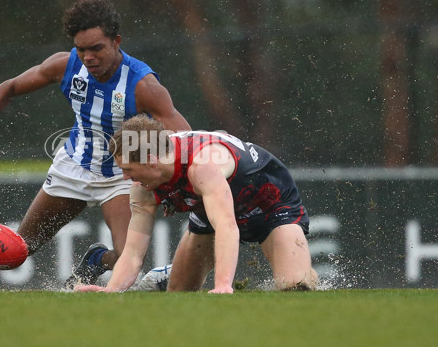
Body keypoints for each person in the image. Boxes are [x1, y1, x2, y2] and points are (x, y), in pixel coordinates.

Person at [0, 0, 190, 288]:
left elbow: (184, 140)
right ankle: (93, 260)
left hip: (120, 177)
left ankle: (97, 260)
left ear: (116, 41)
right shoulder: (65, 65)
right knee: (18, 252)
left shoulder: (143, 85)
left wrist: (174, 186)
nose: (88, 57)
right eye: (82, 49)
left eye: (96, 48)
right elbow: (9, 87)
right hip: (72, 168)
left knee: (129, 260)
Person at [75, 114, 318, 293]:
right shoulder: (143, 187)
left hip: (269, 205)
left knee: (295, 287)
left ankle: (304, 268)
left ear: (150, 160)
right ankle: (164, 277)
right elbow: (133, 253)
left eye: (128, 169)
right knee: (179, 294)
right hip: (210, 210)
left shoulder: (203, 166)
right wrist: (111, 290)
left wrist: (223, 286)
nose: (126, 177)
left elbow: (227, 226)